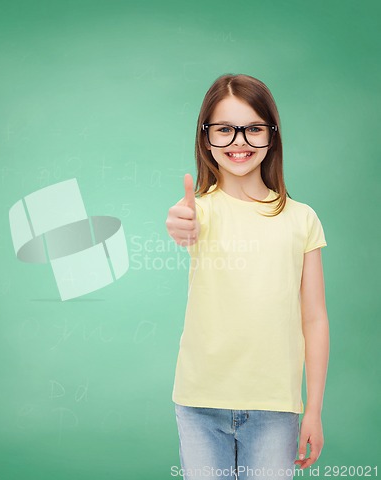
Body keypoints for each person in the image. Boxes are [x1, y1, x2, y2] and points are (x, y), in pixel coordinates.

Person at [165, 73, 329, 480]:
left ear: (272, 136)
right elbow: (182, 225)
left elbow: (315, 319)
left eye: (253, 128)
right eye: (224, 129)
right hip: (199, 402)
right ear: (206, 138)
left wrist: (314, 410)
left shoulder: (301, 218)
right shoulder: (198, 212)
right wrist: (180, 223)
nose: (239, 141)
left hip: (276, 408)